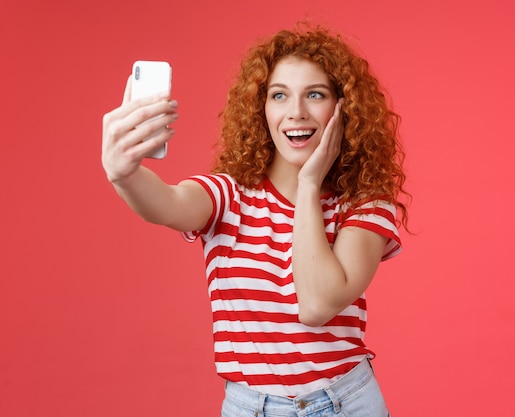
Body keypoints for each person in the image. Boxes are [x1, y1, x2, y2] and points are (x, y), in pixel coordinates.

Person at [102, 22, 409, 417]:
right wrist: (123, 174)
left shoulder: (365, 205)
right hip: (250, 408)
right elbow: (167, 203)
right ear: (261, 109)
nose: (296, 112)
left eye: (315, 94)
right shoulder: (228, 197)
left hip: (347, 404)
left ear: (342, 107)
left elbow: (316, 305)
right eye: (279, 96)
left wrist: (310, 183)